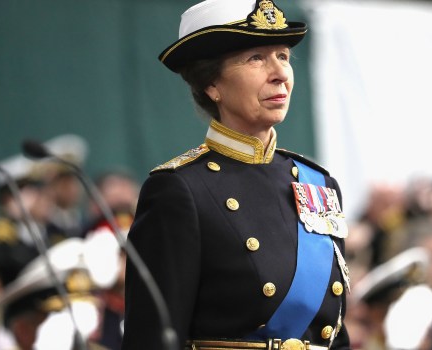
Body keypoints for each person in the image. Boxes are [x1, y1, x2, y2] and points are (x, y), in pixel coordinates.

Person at [122, 0, 351, 349]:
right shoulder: (180, 189)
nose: (280, 73)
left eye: (283, 56)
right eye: (256, 58)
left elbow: (333, 332)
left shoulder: (318, 184)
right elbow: (152, 338)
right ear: (211, 83)